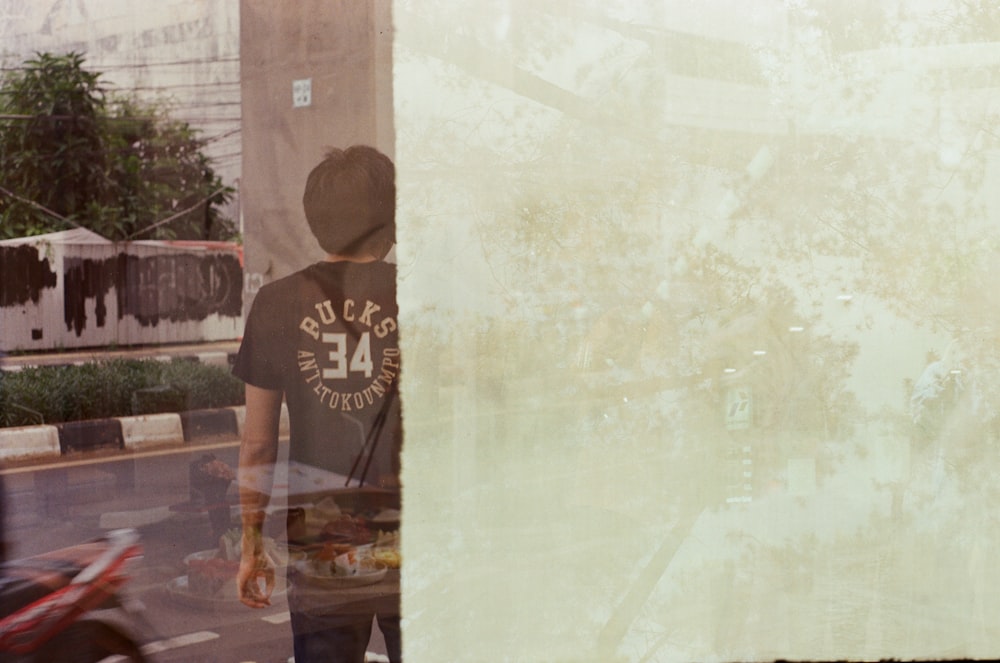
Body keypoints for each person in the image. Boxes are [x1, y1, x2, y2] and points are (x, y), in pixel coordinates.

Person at [232, 145, 402, 663]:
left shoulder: (277, 302)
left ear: (316, 221)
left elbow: (258, 443)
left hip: (323, 537)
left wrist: (251, 543)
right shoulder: (423, 297)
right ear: (389, 220)